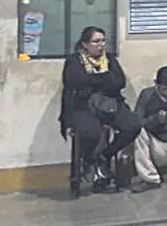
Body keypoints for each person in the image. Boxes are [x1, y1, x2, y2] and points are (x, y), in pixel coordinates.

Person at [59, 26, 141, 188]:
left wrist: (93, 80)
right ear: (85, 44)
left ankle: (105, 155)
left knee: (133, 125)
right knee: (89, 133)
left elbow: (119, 82)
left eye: (103, 41)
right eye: (96, 41)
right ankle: (89, 160)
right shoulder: (74, 61)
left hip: (110, 103)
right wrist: (104, 79)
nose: (101, 45)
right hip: (83, 105)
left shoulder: (110, 59)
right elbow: (75, 82)